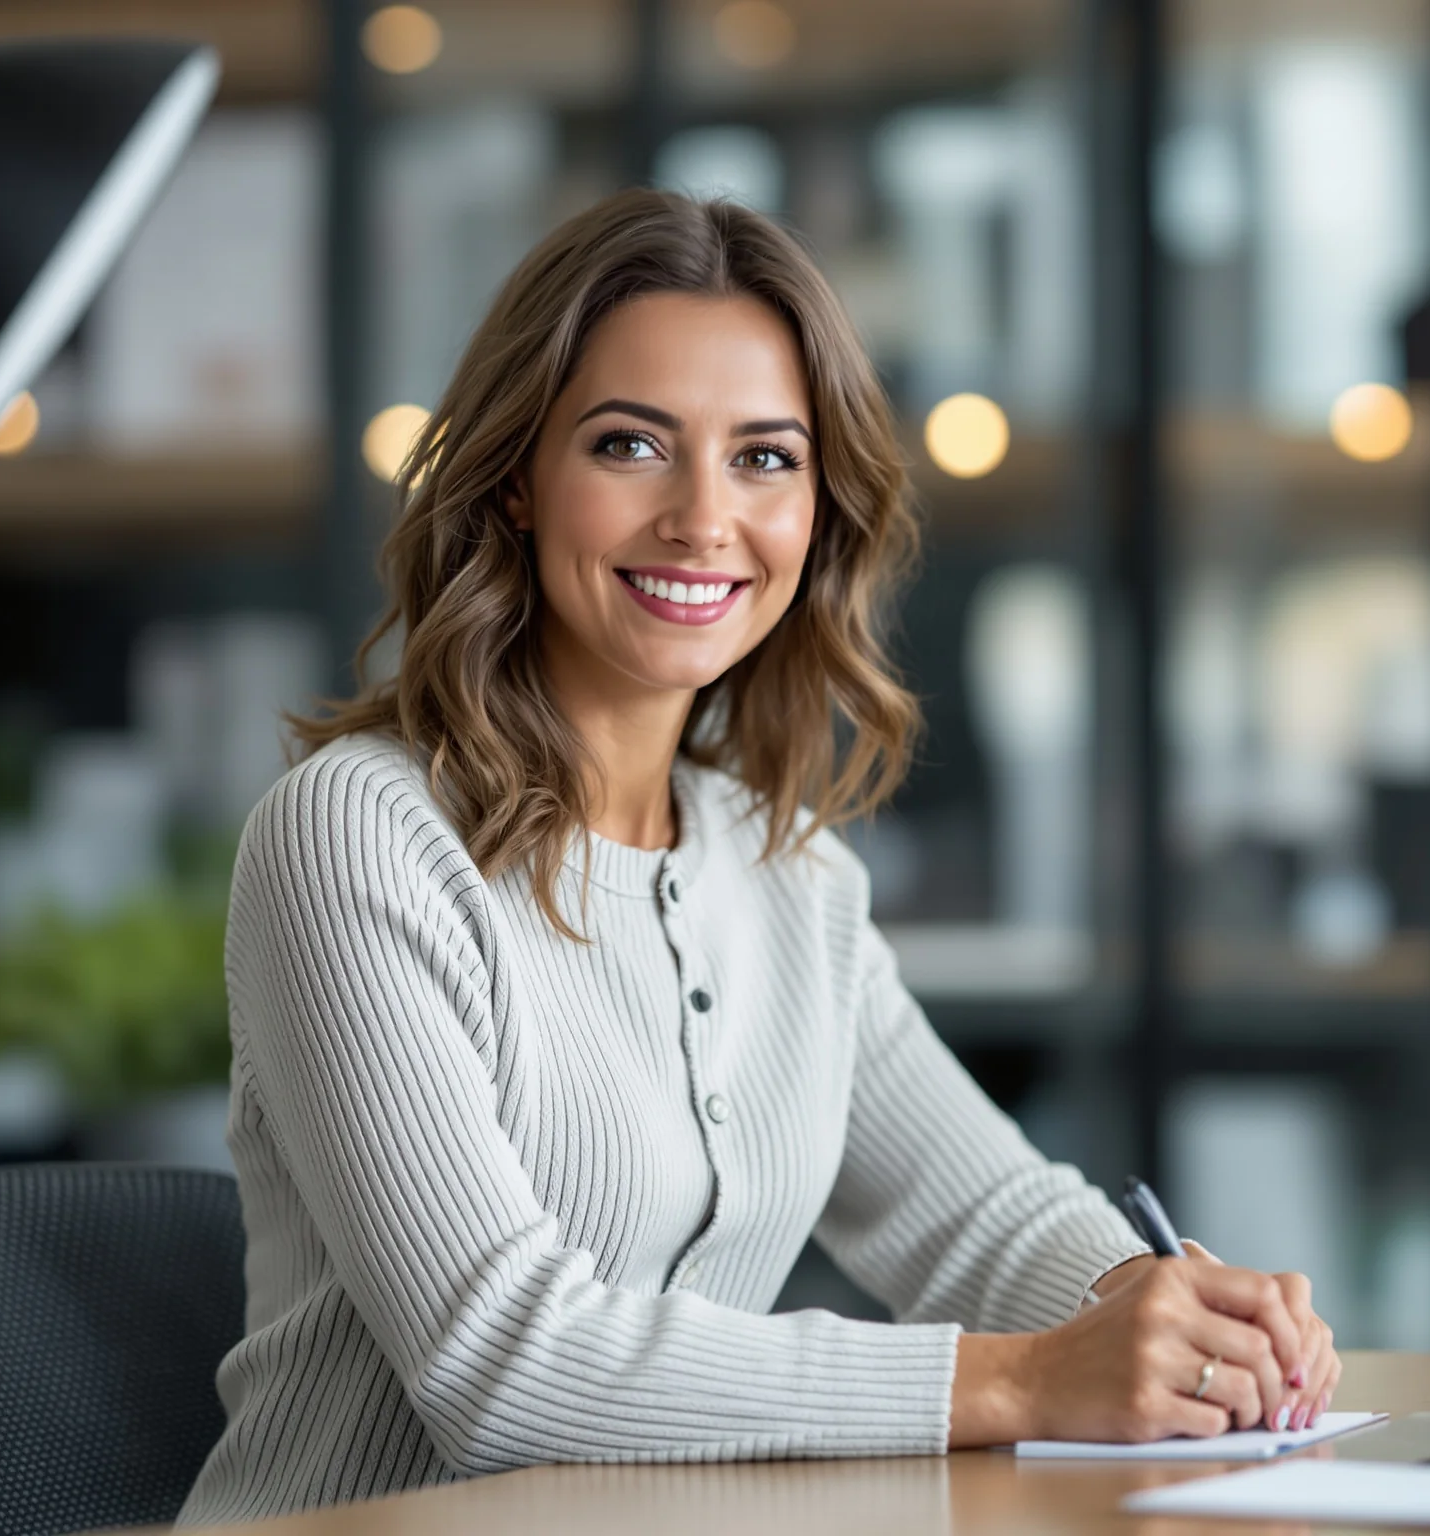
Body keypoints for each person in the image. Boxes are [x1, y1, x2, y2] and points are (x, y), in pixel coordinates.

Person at [178, 189, 1339, 1525]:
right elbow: (505, 1365)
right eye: (630, 446)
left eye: (766, 459)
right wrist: (1024, 1384)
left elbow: (981, 1221)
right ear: (513, 478)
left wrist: (1168, 1316)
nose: (701, 518)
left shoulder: (787, 873)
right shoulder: (358, 836)